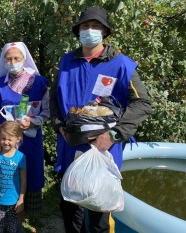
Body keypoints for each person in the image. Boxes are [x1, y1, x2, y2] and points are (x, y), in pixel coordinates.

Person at [50, 6, 152, 233]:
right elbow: (54, 98)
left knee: (99, 217)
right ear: (78, 31)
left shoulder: (121, 64)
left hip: (104, 149)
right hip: (71, 147)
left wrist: (113, 135)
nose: (90, 30)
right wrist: (59, 127)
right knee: (70, 210)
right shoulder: (66, 63)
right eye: (85, 26)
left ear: (104, 31)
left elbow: (142, 103)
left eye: (95, 26)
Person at [0, 42, 49, 230]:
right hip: (6, 144)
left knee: (28, 175)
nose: (12, 62)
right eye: (9, 59)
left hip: (30, 141)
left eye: (16, 58)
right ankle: (7, 217)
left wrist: (33, 122)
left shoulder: (39, 83)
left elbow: (47, 111)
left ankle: (20, 220)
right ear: (4, 61)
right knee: (8, 177)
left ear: (24, 59)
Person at [0, 121, 27, 233]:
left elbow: (23, 180)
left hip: (14, 202)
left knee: (12, 229)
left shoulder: (20, 157)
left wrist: (21, 199)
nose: (6, 142)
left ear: (18, 139)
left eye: (10, 139)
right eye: (3, 138)